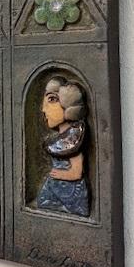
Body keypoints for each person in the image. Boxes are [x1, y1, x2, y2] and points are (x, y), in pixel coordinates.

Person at [37, 76, 89, 217]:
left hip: (70, 192)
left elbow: (77, 172)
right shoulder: (57, 139)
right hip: (55, 187)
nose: (44, 109)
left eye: (52, 100)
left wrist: (61, 174)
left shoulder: (73, 139)